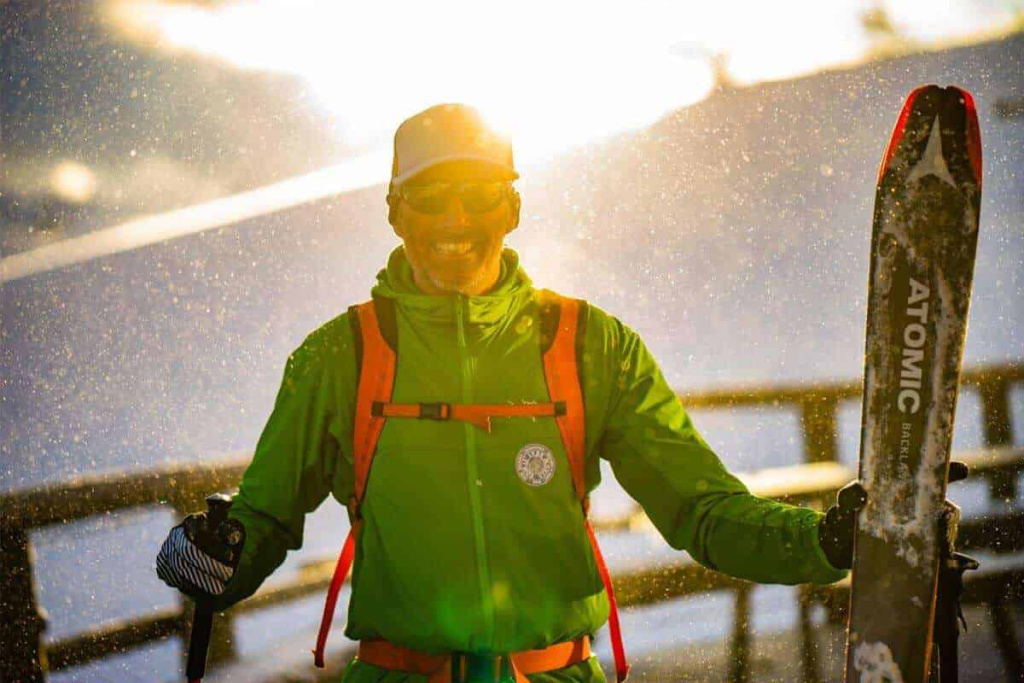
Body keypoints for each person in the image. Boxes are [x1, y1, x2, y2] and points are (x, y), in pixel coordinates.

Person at [157, 103, 869, 683]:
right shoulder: (338, 357)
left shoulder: (591, 345)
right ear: (396, 211)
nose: (455, 221)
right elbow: (263, 520)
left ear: (513, 206)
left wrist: (821, 542)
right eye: (432, 198)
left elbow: (703, 510)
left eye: (480, 195)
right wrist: (207, 556)